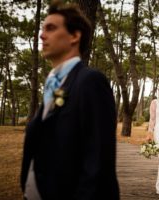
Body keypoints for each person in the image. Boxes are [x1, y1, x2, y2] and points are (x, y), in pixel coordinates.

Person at [20, 2, 119, 199]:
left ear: (74, 36)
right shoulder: (55, 84)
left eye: (51, 28)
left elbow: (98, 163)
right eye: (42, 29)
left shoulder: (90, 81)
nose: (42, 35)